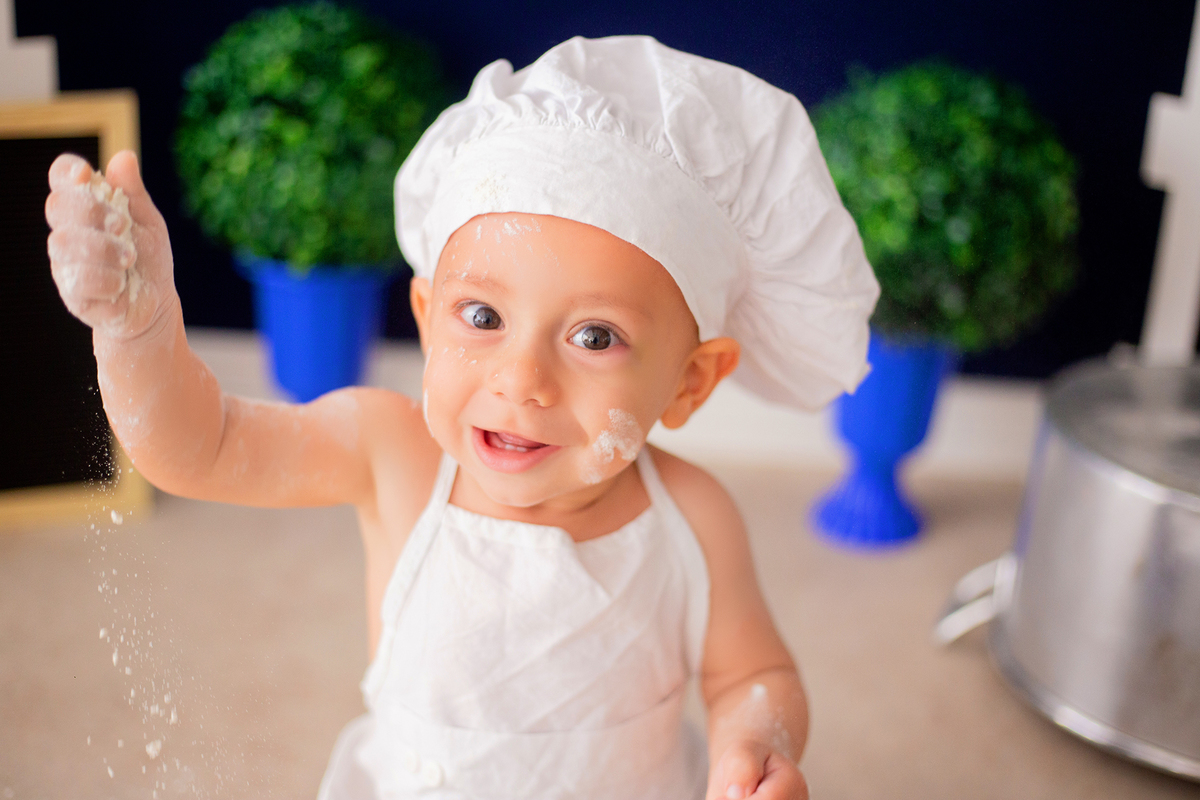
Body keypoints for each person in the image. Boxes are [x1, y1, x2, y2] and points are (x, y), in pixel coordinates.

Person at [45, 35, 878, 800]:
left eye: (595, 336)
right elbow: (202, 448)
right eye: (481, 317)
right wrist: (139, 330)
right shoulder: (391, 451)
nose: (521, 380)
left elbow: (751, 674)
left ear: (691, 383)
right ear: (425, 312)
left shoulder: (694, 517)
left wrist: (754, 744)